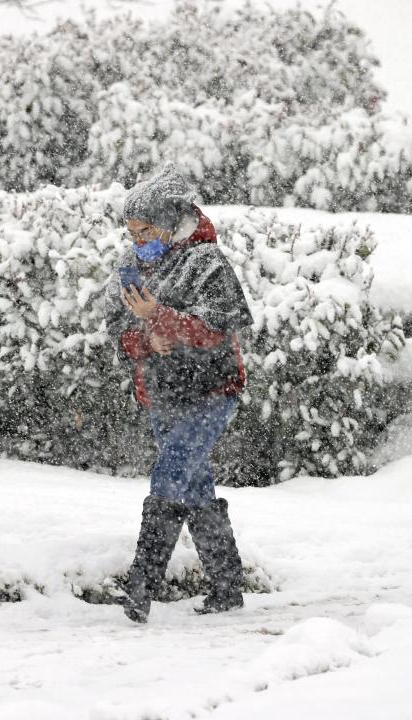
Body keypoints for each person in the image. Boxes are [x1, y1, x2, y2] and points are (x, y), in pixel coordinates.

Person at [106, 164, 255, 623]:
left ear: (170, 221)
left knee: (170, 473)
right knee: (194, 484)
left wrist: (161, 317)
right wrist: (146, 340)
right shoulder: (130, 268)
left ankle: (140, 588)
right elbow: (118, 333)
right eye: (132, 233)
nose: (139, 242)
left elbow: (216, 329)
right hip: (161, 394)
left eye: (147, 231)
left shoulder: (207, 262)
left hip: (211, 392)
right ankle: (227, 587)